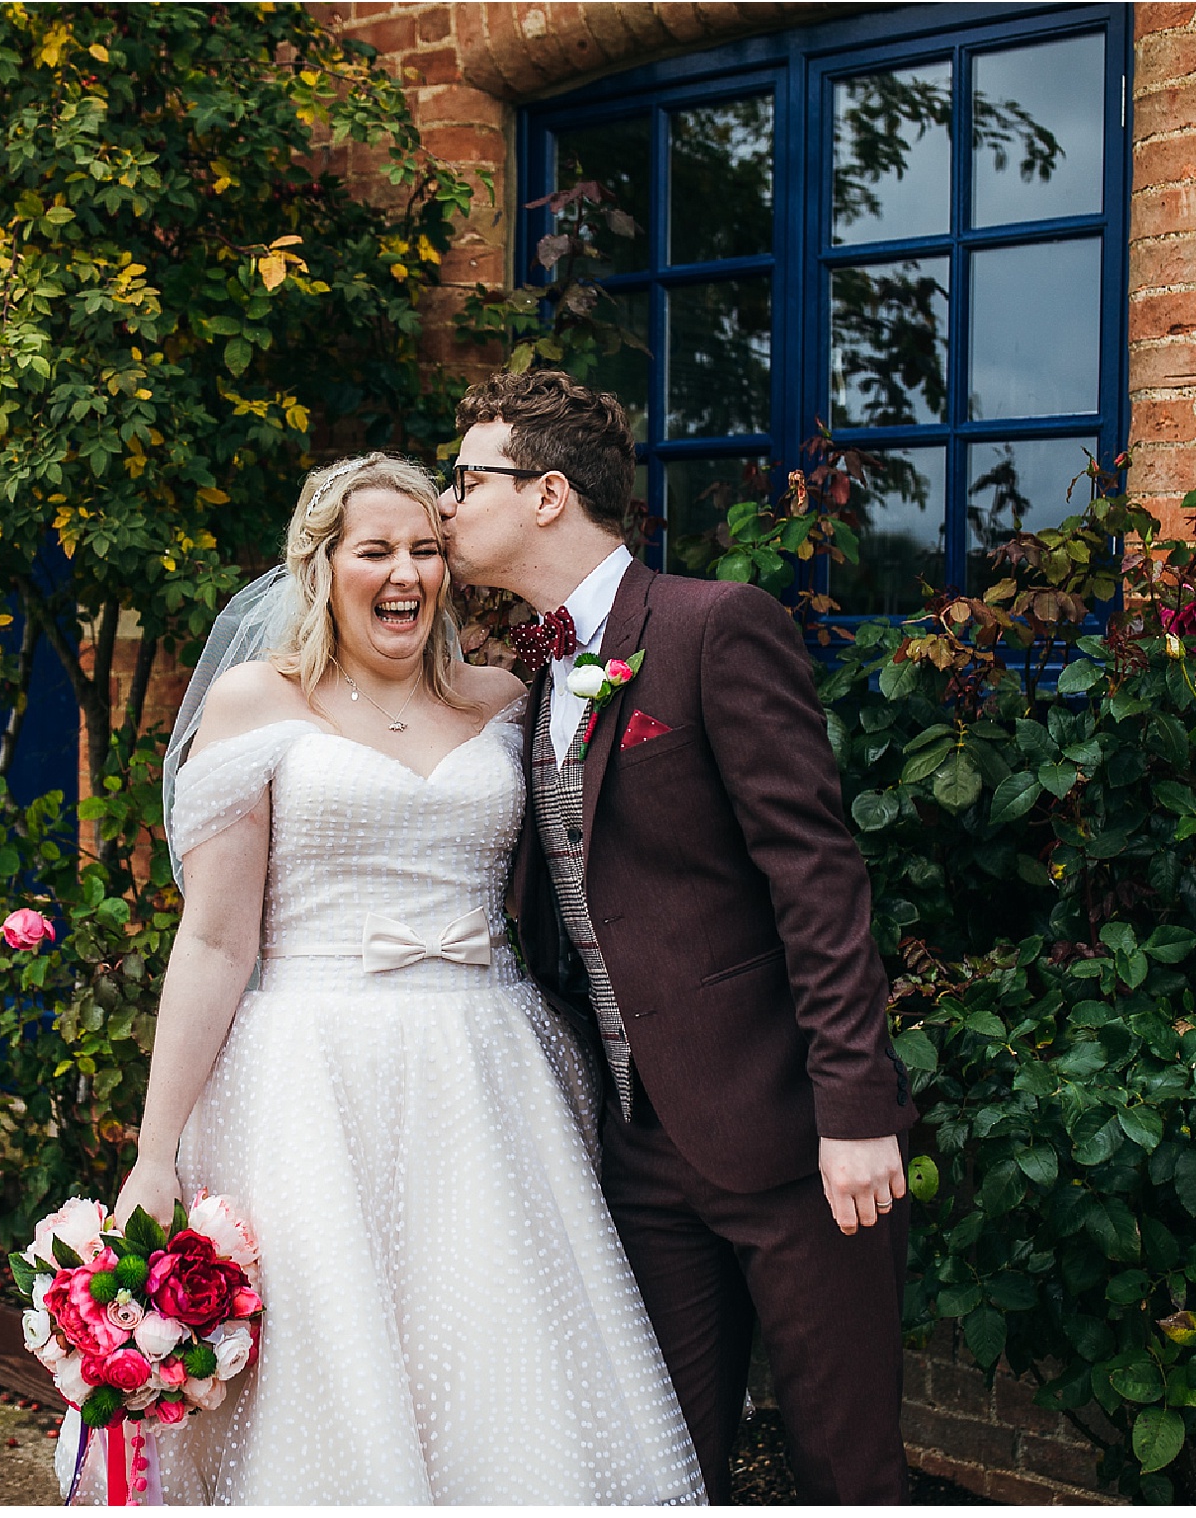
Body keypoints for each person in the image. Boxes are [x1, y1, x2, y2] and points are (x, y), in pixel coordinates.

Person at [111, 452, 705, 1504]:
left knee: (494, 1356)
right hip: (312, 1079)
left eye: (426, 549)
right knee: (338, 1373)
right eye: (374, 550)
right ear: (320, 564)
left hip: (488, 1072)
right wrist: (154, 1154)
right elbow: (214, 943)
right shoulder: (259, 700)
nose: (406, 574)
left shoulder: (506, 699)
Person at [437, 368, 917, 1504]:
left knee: (845, 1469)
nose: (447, 503)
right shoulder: (530, 674)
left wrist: (853, 1110)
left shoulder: (713, 627)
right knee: (657, 1467)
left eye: (468, 478)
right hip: (638, 1149)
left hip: (792, 1137)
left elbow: (819, 877)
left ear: (548, 494)